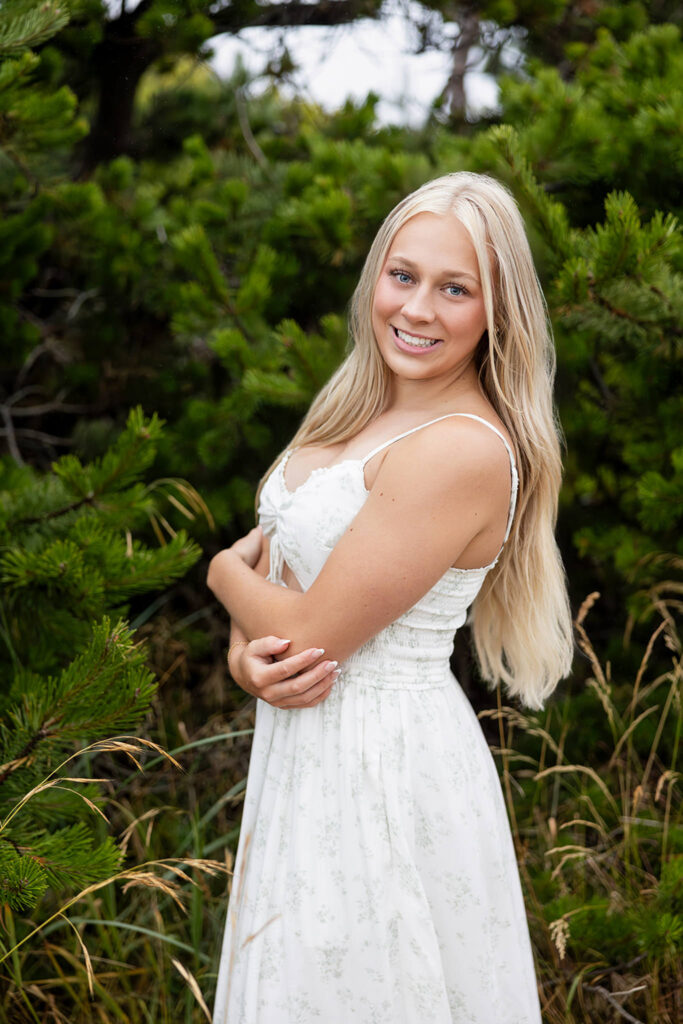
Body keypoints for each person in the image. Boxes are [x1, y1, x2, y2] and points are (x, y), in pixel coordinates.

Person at [207, 171, 573, 1024]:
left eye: (455, 289)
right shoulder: (354, 408)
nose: (416, 309)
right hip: (306, 745)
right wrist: (241, 658)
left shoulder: (461, 449)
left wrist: (221, 573)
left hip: (383, 763)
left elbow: (299, 625)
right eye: (403, 276)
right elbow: (284, 609)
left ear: (496, 312)